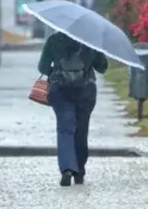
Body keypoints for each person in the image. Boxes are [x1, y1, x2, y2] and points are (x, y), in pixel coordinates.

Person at [38, 31, 108, 186]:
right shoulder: (90, 39)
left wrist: (55, 72)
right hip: (86, 90)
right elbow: (102, 67)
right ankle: (80, 170)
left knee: (65, 128)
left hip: (60, 90)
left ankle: (67, 168)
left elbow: (42, 67)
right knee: (81, 130)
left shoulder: (54, 40)